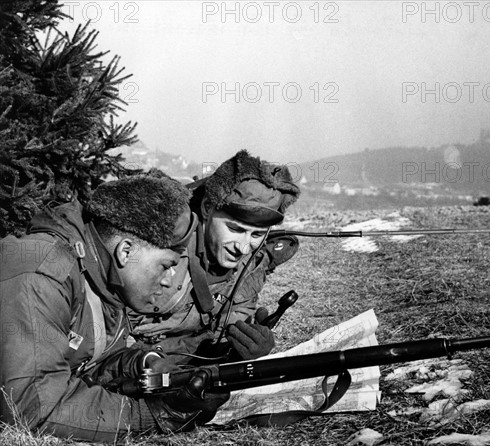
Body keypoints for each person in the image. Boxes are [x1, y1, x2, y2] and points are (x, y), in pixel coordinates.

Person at [0, 175, 229, 441]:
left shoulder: (98, 271)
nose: (168, 282)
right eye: (166, 266)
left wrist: (143, 363)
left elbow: (87, 360)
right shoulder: (43, 273)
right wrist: (153, 414)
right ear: (126, 251)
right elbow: (32, 406)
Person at [127, 150, 301, 363]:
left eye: (256, 234)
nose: (244, 248)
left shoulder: (251, 263)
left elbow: (225, 329)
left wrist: (242, 348)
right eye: (235, 230)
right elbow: (108, 333)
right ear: (208, 208)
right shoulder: (159, 246)